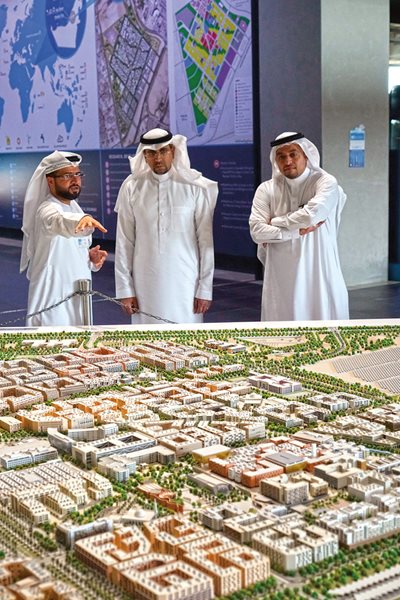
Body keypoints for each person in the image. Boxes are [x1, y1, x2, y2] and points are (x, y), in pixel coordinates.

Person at [114, 128, 218, 324]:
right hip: (144, 284)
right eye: (151, 153)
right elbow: (124, 242)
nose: (158, 158)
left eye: (163, 151)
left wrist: (205, 288)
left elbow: (205, 242)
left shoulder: (195, 186)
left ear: (173, 151)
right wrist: (125, 289)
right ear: (144, 155)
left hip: (186, 283)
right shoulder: (131, 187)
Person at [249, 132, 349, 321]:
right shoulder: (266, 189)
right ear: (276, 161)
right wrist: (295, 231)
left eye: (293, 154)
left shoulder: (325, 182)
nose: (288, 160)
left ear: (306, 155)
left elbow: (311, 216)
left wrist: (276, 222)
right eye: (281, 156)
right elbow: (256, 231)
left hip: (320, 273)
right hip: (281, 279)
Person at [20, 150, 108, 326]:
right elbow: (57, 221)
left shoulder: (76, 209)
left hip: (79, 298)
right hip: (52, 303)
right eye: (67, 175)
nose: (75, 180)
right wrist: (81, 220)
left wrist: (90, 259)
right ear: (50, 181)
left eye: (77, 174)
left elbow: (70, 251)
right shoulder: (46, 209)